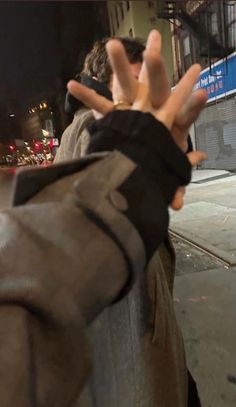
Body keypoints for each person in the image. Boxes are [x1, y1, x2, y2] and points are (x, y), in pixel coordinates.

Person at [0, 30, 206, 406]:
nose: (144, 102)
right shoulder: (87, 131)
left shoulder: (114, 138)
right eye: (130, 86)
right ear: (99, 86)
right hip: (133, 376)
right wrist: (131, 160)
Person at [54, 36, 145, 163]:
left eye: (144, 82)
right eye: (129, 82)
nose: (141, 91)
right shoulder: (97, 124)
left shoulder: (79, 122)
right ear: (98, 82)